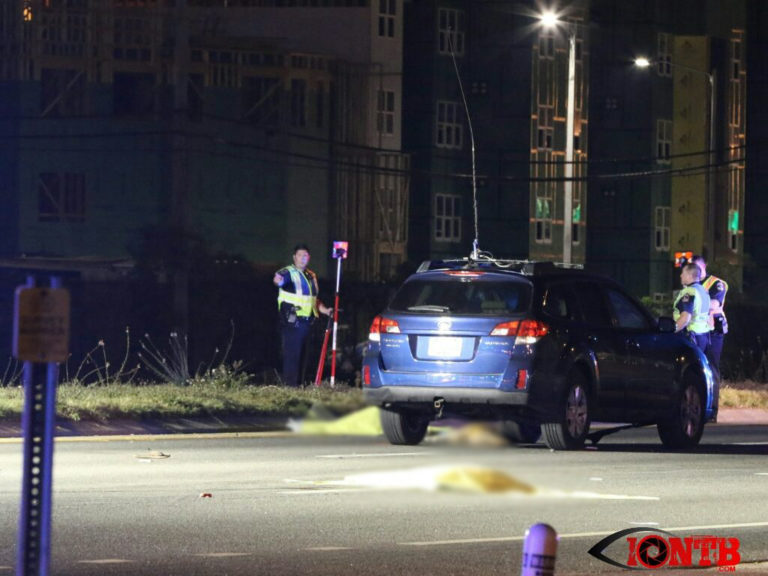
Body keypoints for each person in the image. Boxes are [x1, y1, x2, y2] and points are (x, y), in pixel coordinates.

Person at [273, 244, 331, 387]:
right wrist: (278, 280)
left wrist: (326, 310)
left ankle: (301, 385)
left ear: (309, 258)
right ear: (294, 257)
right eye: (300, 255)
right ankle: (290, 387)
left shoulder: (311, 275)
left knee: (306, 358)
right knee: (292, 356)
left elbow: (313, 300)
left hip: (308, 323)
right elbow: (278, 279)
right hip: (293, 322)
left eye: (305, 255)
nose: (302, 258)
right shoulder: (289, 272)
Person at [691, 254, 728, 375]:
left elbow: (714, 304)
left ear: (704, 266)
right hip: (697, 330)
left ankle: (714, 393)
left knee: (711, 365)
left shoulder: (716, 284)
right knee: (695, 365)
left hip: (713, 331)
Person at [673, 262, 711, 354]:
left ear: (689, 275)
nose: (681, 275)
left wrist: (672, 330)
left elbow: (685, 318)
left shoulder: (690, 291)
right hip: (703, 336)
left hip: (691, 336)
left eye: (683, 273)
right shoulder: (703, 291)